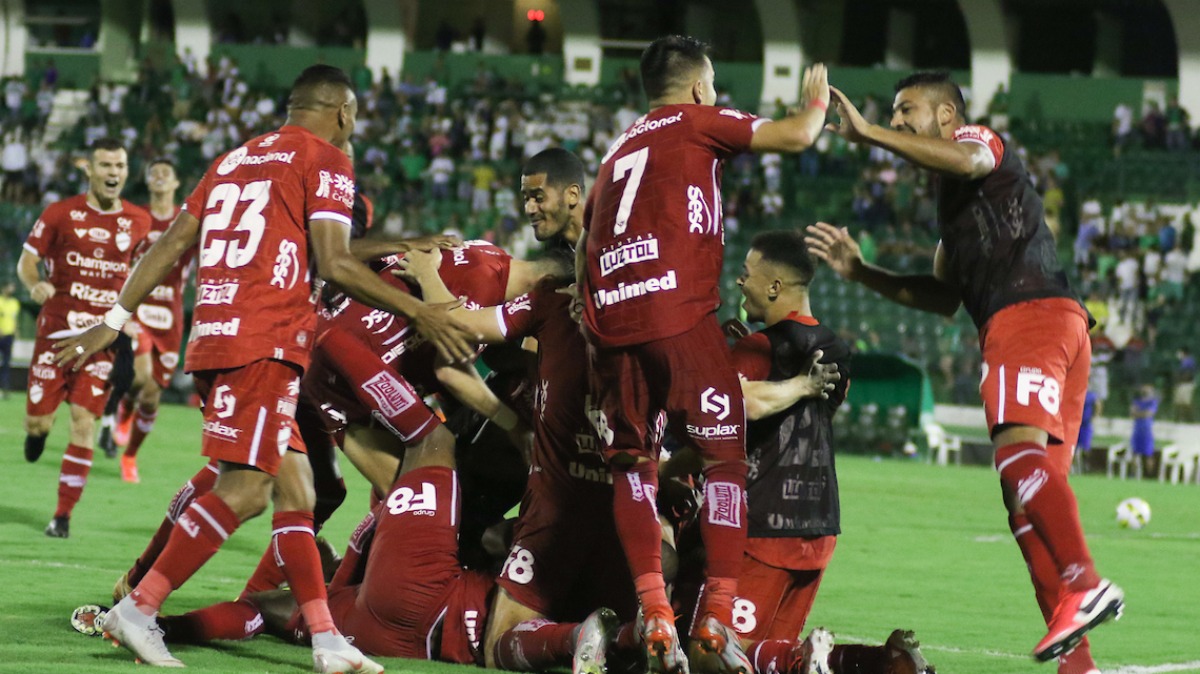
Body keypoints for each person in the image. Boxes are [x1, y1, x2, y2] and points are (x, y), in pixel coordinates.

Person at [57, 64, 473, 672]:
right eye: (353, 115)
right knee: (245, 490)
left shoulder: (232, 159)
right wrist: (421, 311)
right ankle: (140, 609)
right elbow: (332, 261)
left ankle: (329, 641)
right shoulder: (326, 157)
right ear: (341, 111)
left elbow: (171, 244)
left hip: (217, 332)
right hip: (265, 337)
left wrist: (115, 318)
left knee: (297, 491)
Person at [806, 71, 1124, 670]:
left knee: (1015, 457)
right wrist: (862, 271)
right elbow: (942, 295)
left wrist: (870, 132)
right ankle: (1077, 661)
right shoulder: (952, 206)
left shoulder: (979, 144)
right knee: (1022, 495)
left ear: (947, 115)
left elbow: (973, 158)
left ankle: (1084, 581)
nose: (899, 122)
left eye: (908, 112)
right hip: (1058, 326)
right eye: (894, 116)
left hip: (1027, 317)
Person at [575, 34, 830, 674]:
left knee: (632, 465)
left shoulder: (615, 149)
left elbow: (585, 246)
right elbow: (797, 136)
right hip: (678, 314)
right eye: (711, 82)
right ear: (697, 86)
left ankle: (654, 609)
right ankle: (717, 614)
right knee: (724, 458)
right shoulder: (694, 120)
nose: (713, 92)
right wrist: (818, 103)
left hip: (611, 326)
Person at [17, 137, 152, 538]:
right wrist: (34, 285)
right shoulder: (60, 213)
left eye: (120, 166)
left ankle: (62, 516)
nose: (113, 173)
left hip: (99, 339)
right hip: (56, 335)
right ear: (88, 170)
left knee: (83, 424)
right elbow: (28, 260)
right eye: (105, 165)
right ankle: (35, 434)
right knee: (39, 424)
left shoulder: (139, 221)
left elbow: (147, 269)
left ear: (127, 171)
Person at [114, 158, 191, 483]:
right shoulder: (137, 218)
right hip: (140, 307)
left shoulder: (188, 220)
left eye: (166, 173)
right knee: (141, 375)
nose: (159, 177)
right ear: (147, 182)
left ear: (175, 184)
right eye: (153, 173)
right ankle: (125, 408)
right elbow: (120, 260)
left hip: (170, 315)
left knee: (152, 393)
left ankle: (130, 456)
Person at [1130, 384, 1159, 477]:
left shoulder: (1152, 402)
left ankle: (1149, 475)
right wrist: (1141, 414)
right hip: (1137, 431)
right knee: (1134, 453)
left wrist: (1138, 413)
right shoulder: (1137, 401)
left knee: (1148, 454)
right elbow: (1133, 413)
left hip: (1146, 432)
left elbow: (1149, 414)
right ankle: (1132, 474)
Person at [0, 281, 18, 398]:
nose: (11, 289)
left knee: (6, 363)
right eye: (10, 287)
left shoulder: (15, 303)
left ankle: (5, 388)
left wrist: (16, 331)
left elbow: (14, 319)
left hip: (9, 336)